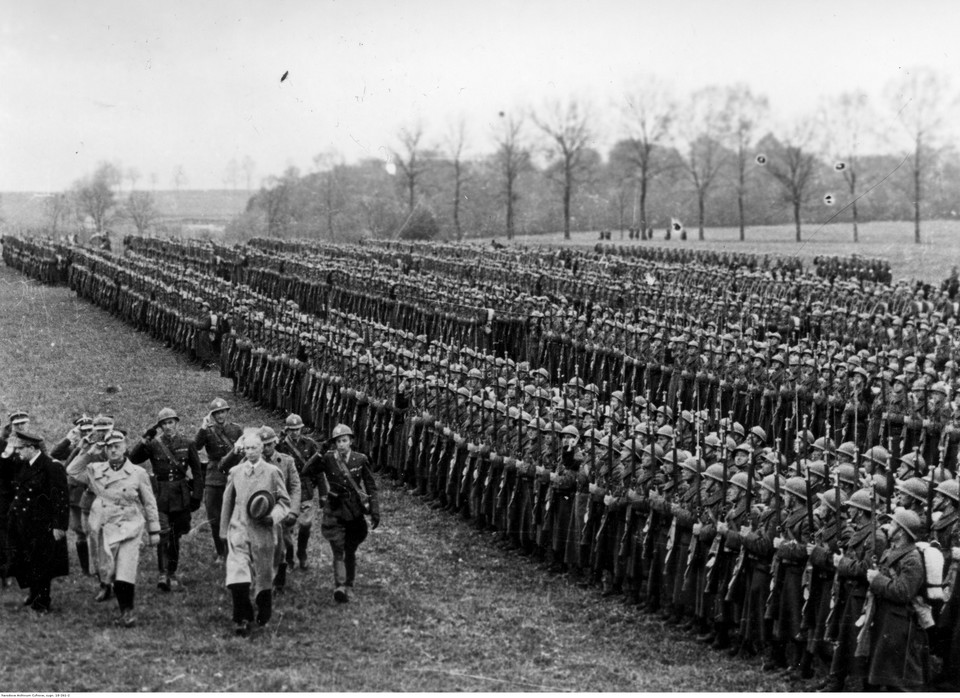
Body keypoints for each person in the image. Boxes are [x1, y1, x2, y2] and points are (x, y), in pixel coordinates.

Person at [66, 429, 160, 627]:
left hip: (130, 526)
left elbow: (149, 503)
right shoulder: (95, 469)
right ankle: (122, 606)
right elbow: (72, 471)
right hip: (105, 526)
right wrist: (86, 450)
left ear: (125, 448)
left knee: (125, 569)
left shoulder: (138, 473)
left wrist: (154, 531)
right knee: (110, 570)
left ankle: (128, 611)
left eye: (117, 446)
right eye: (109, 447)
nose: (113, 450)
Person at [219, 430, 291, 637]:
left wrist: (273, 516)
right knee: (237, 574)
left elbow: (284, 502)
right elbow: (227, 502)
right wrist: (224, 531)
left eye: (254, 448)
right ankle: (242, 617)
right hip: (239, 529)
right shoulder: (236, 472)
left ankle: (263, 611)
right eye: (247, 448)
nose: (250, 452)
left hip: (263, 532)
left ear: (262, 449)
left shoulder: (272, 472)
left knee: (263, 574)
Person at [303, 424, 380, 603]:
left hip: (354, 510)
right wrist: (319, 454)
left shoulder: (360, 459)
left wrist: (375, 511)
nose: (341, 445)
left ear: (351, 441)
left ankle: (349, 582)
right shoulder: (328, 458)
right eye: (338, 441)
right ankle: (340, 585)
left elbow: (371, 486)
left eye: (344, 440)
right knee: (338, 548)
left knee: (350, 548)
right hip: (335, 508)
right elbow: (307, 471)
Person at [128, 407, 203, 591]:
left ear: (176, 423)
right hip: (160, 494)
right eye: (164, 424)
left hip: (180, 494)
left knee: (175, 536)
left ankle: (172, 572)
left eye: (170, 422)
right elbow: (133, 458)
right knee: (163, 534)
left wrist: (197, 496)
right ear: (160, 427)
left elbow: (198, 472)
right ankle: (162, 574)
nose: (168, 427)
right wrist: (144, 439)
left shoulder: (188, 443)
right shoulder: (154, 444)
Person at [864, 508, 931, 690]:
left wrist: (877, 580)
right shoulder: (893, 550)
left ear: (900, 532)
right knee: (886, 669)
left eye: (893, 524)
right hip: (887, 617)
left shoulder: (912, 559)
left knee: (900, 676)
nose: (887, 527)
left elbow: (904, 592)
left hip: (900, 622)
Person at [5, 431, 69, 613]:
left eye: (20, 449)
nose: (17, 452)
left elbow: (60, 499)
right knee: (28, 561)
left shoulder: (51, 467)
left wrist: (59, 525)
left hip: (43, 524)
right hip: (24, 523)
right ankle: (34, 593)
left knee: (42, 564)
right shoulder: (24, 464)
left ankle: (42, 601)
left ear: (31, 448)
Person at [193, 398, 243, 562]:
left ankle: (235, 549)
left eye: (223, 412)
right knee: (214, 516)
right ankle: (221, 552)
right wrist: (202, 427)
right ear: (212, 415)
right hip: (214, 476)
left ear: (227, 412)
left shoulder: (236, 430)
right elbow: (195, 448)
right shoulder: (207, 430)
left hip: (233, 474)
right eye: (216, 413)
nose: (220, 416)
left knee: (235, 515)